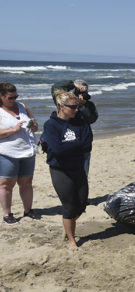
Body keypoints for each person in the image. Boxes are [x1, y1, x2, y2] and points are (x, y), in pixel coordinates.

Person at [41, 91, 93, 248]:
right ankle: (72, 240)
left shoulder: (80, 122)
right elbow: (57, 150)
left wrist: (69, 146)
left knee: (82, 204)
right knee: (69, 206)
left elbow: (87, 144)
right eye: (72, 107)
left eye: (77, 106)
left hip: (78, 168)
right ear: (61, 107)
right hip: (60, 170)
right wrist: (76, 143)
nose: (76, 109)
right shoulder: (51, 125)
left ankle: (68, 224)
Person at [0, 82, 39, 225]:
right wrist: (12, 131)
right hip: (7, 152)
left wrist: (33, 125)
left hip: (27, 151)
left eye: (15, 96)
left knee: (26, 183)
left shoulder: (22, 106)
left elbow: (34, 124)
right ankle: (7, 214)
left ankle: (28, 210)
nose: (14, 100)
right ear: (1, 97)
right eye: (10, 98)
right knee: (6, 184)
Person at [51, 80, 98, 176]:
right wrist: (73, 85)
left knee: (82, 176)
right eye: (80, 91)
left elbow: (91, 119)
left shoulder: (89, 105)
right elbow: (56, 87)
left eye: (85, 92)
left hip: (82, 148)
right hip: (65, 145)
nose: (82, 94)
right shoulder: (64, 103)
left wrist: (83, 105)